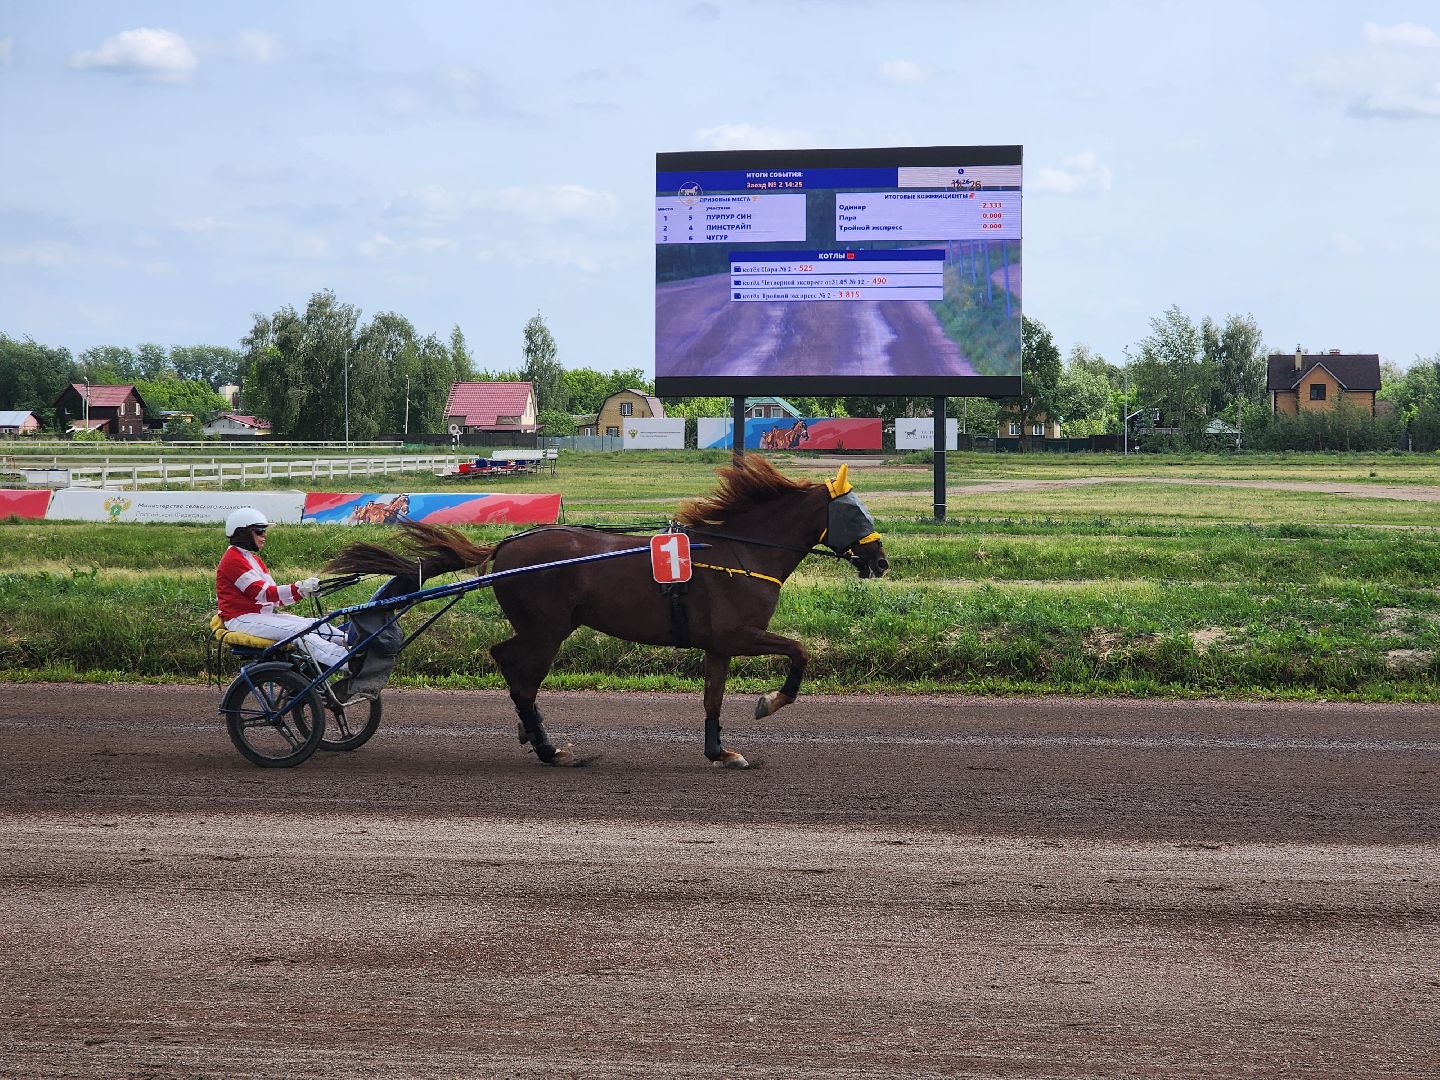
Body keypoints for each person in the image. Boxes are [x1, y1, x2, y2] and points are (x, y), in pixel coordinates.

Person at [216, 507, 350, 672]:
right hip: (242, 619)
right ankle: (346, 660)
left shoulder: (253, 559)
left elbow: (276, 598)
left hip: (261, 616)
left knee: (315, 623)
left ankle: (352, 644)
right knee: (300, 631)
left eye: (264, 531)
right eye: (259, 531)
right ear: (241, 533)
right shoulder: (232, 560)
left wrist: (303, 592)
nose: (264, 535)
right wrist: (298, 586)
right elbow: (263, 594)